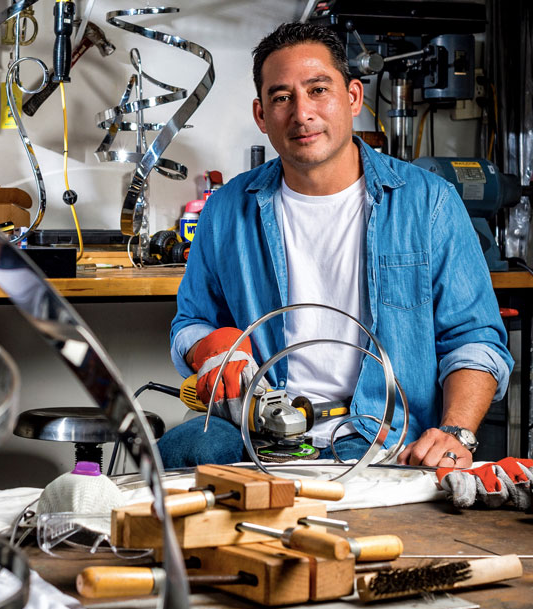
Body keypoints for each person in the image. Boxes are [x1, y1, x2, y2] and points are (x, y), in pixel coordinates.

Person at [158, 22, 513, 470]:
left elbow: (474, 340)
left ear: (353, 98)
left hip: (385, 437)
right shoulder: (227, 208)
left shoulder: (428, 204)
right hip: (259, 431)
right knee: (178, 455)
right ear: (261, 115)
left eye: (318, 89)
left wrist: (455, 431)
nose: (301, 113)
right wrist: (208, 346)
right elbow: (191, 321)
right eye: (282, 97)